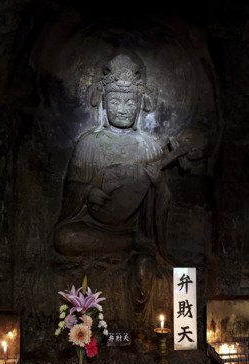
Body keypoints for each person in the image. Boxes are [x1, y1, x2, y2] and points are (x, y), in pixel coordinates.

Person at [53, 53, 174, 312]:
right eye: (116, 101)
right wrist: (88, 191)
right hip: (94, 226)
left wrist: (155, 185)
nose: (123, 108)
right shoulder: (89, 143)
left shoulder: (149, 145)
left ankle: (137, 241)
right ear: (103, 104)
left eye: (130, 102)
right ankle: (131, 243)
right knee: (64, 238)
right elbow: (71, 191)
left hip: (134, 224)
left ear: (140, 104)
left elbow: (161, 198)